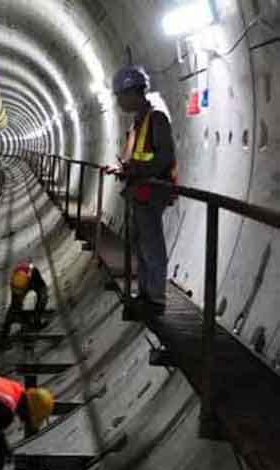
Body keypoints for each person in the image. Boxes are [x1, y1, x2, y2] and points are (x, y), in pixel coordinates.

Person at [111, 65, 178, 315]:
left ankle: (156, 298)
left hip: (152, 190)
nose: (118, 100)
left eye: (120, 95)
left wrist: (138, 169)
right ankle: (146, 292)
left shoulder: (156, 118)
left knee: (152, 245)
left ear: (133, 93)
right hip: (140, 189)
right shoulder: (139, 121)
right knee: (141, 244)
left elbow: (164, 156)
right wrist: (127, 167)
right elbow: (139, 154)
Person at [0, 260, 49, 345]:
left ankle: (37, 321)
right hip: (21, 283)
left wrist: (35, 318)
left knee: (43, 297)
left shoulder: (34, 276)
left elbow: (42, 290)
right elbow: (14, 305)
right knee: (14, 306)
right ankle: (5, 329)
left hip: (32, 280)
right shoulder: (15, 281)